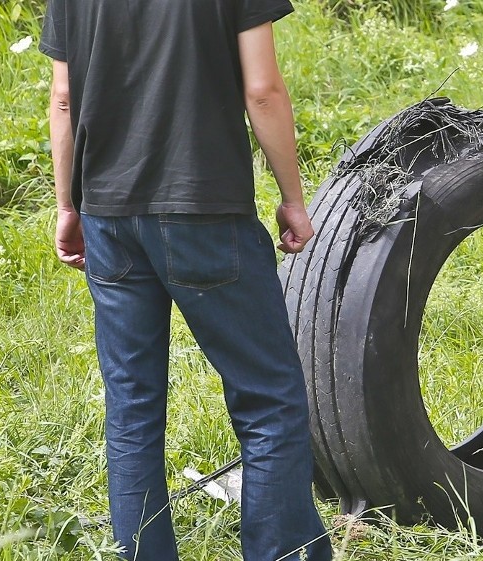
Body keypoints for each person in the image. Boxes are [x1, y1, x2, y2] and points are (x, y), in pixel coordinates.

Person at [39, 1, 331, 560]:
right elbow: (263, 89)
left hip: (109, 216)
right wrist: (292, 198)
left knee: (131, 406)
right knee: (269, 400)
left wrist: (68, 207)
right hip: (206, 210)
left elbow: (63, 99)